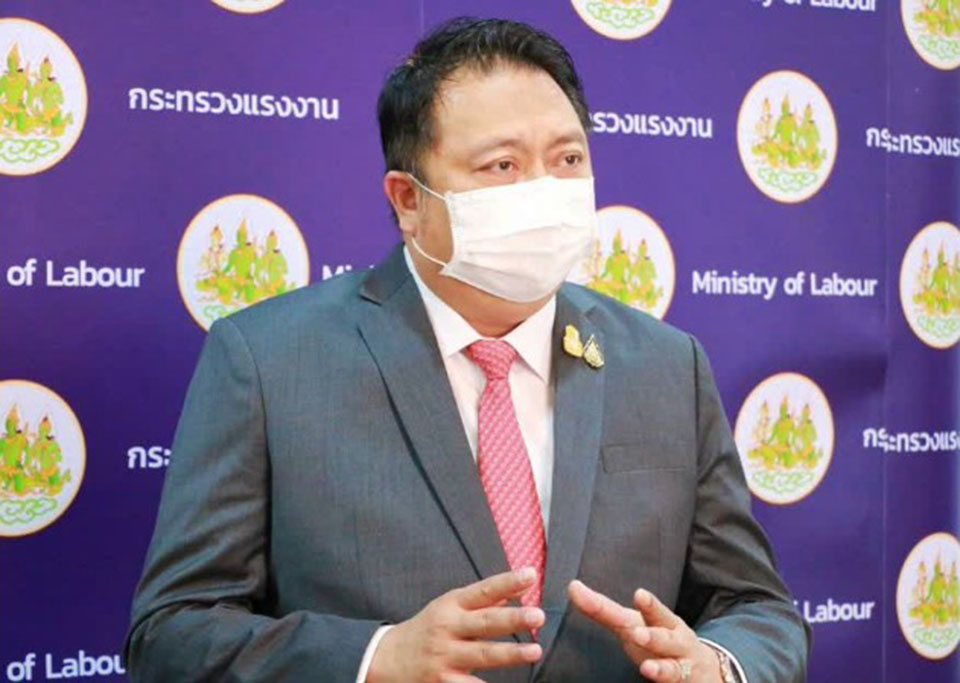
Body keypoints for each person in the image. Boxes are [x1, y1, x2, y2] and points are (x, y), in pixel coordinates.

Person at [124, 17, 811, 683]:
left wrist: (718, 665)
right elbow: (171, 632)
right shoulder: (269, 362)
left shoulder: (667, 366)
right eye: (502, 165)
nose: (544, 190)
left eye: (568, 159)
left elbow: (757, 608)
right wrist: (375, 658)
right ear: (408, 200)